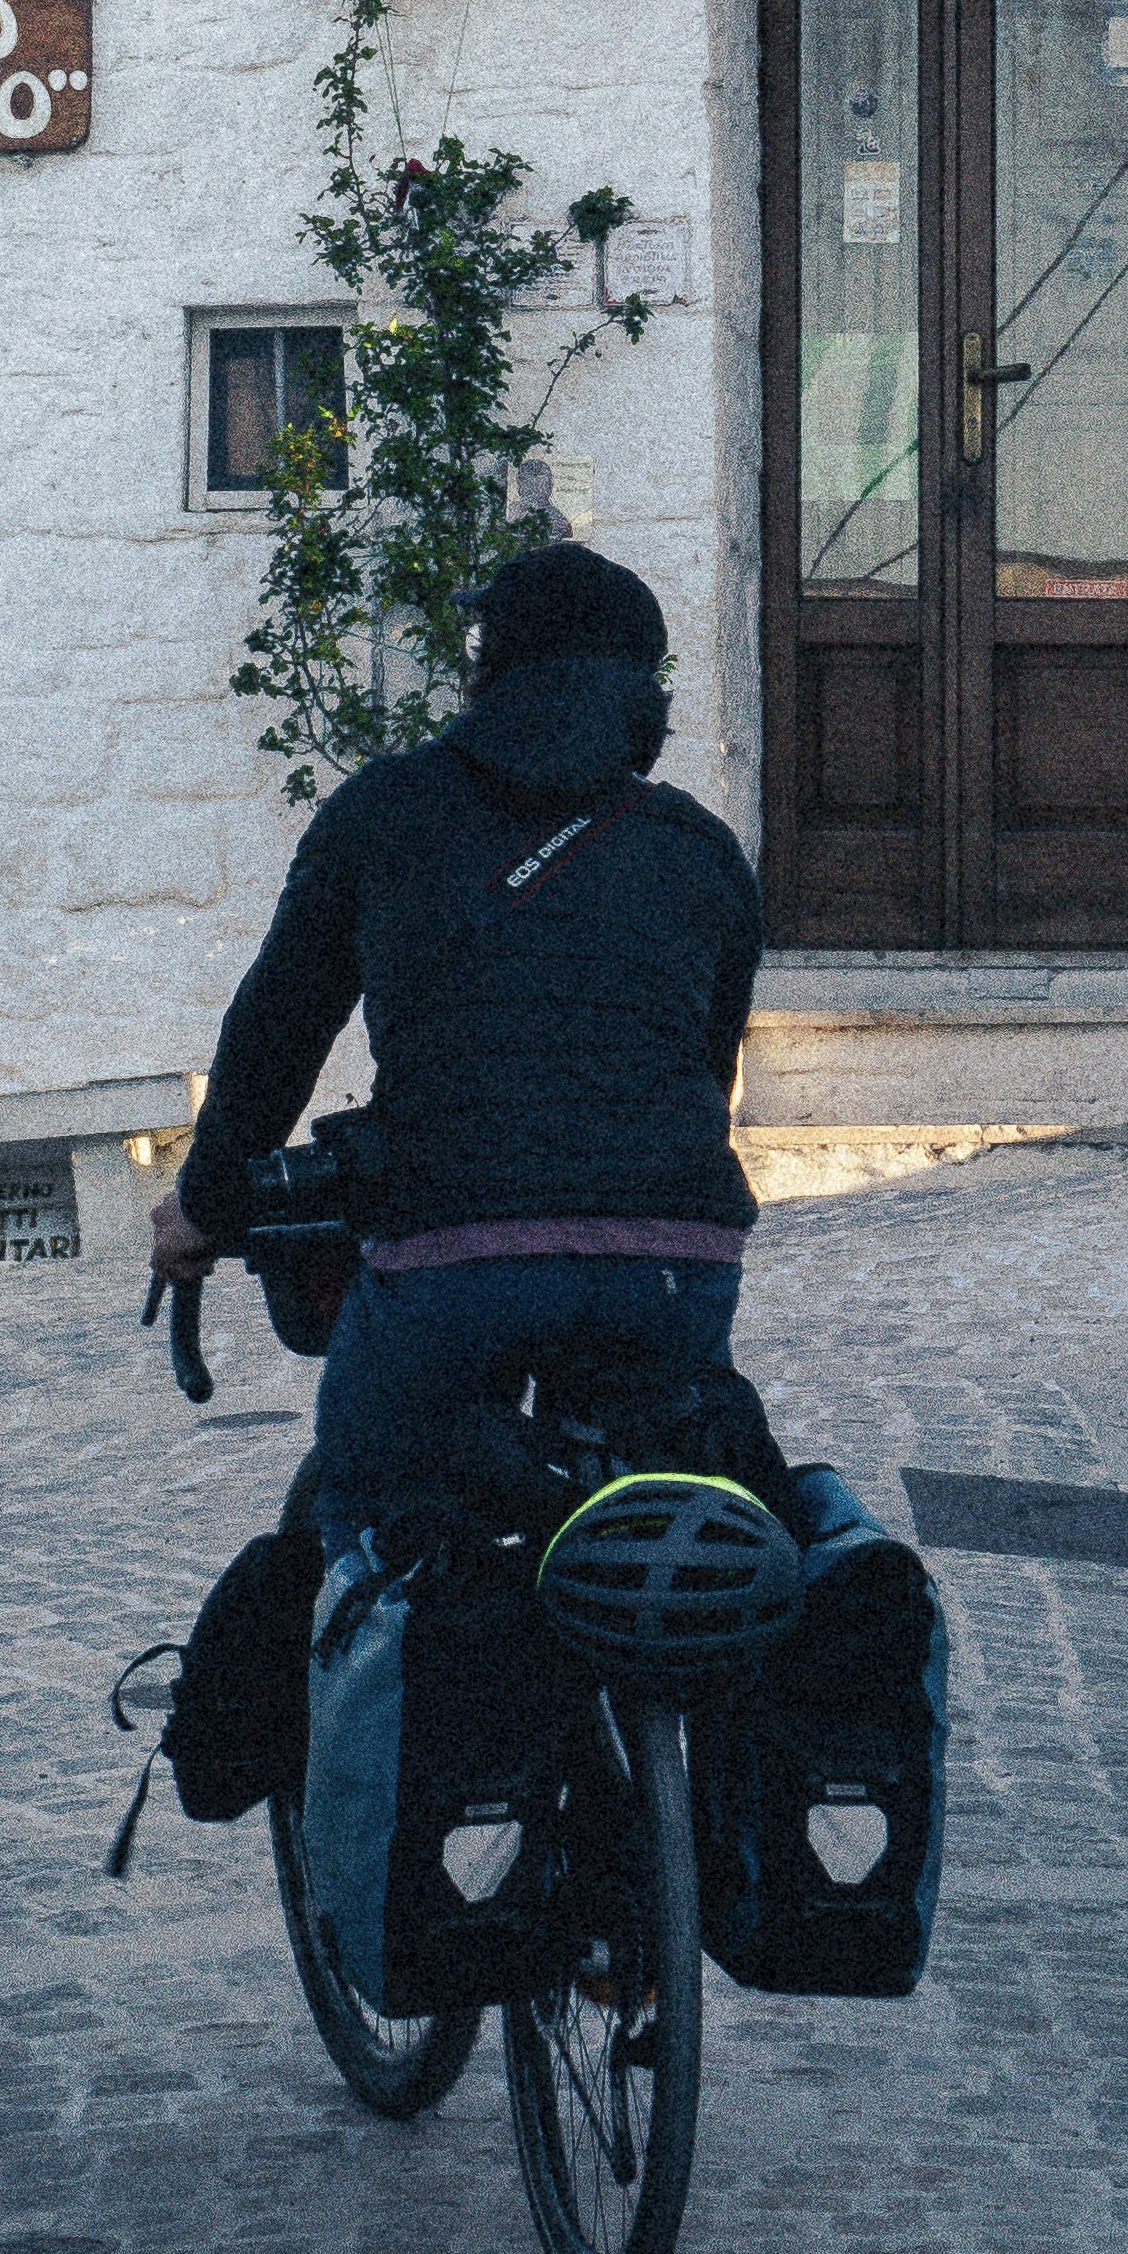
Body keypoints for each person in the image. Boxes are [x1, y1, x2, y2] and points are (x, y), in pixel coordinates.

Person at [150, 541, 762, 1524]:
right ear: (641, 697)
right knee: (669, 1519)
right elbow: (701, 1067)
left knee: (363, 1508)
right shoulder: (698, 848)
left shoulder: (381, 812)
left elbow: (277, 1035)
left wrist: (206, 1204)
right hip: (670, 1257)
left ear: (491, 672)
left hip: (455, 1251)